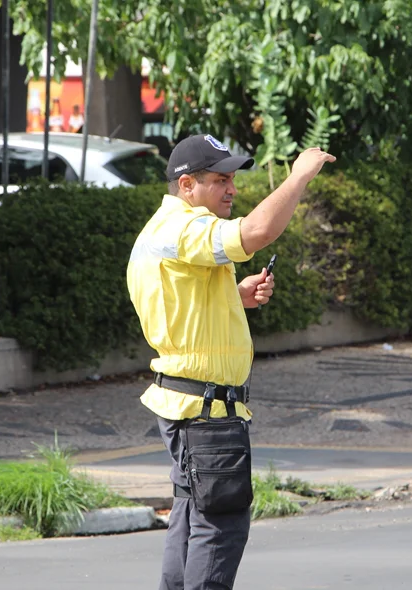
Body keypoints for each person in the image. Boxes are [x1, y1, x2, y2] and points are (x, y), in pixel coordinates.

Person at [127, 134, 335, 590]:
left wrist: (233, 298)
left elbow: (179, 307)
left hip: (189, 404)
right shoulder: (183, 228)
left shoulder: (164, 230)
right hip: (206, 412)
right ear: (186, 184)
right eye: (221, 179)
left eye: (232, 179)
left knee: (191, 519)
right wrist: (299, 177)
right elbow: (256, 233)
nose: (232, 189)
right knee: (219, 528)